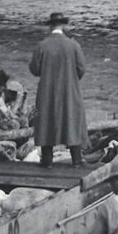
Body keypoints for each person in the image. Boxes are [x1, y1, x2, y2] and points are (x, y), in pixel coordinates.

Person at [29, 12, 88, 168]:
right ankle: (77, 160)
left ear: (50, 26)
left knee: (45, 120)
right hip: (69, 90)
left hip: (46, 91)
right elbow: (82, 68)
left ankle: (47, 161)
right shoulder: (74, 45)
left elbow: (34, 69)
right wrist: (72, 80)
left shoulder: (42, 45)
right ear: (63, 26)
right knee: (72, 120)